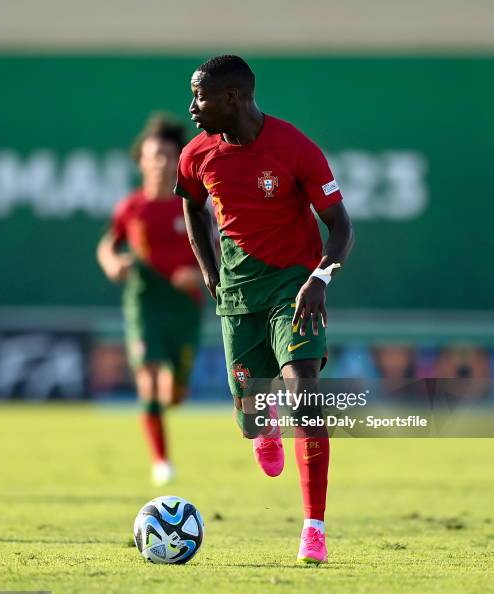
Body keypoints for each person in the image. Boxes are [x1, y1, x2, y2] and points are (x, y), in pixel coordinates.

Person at [175, 56, 354, 563]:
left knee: (303, 390)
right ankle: (262, 428)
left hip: (293, 287)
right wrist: (210, 272)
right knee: (251, 414)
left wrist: (320, 278)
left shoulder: (294, 147)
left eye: (200, 97)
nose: (192, 108)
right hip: (237, 295)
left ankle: (313, 529)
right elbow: (190, 203)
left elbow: (341, 225)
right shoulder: (195, 155)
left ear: (232, 99)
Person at [98, 114, 203, 486]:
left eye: (167, 155)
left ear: (178, 160)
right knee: (149, 379)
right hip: (144, 300)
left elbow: (221, 255)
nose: (159, 162)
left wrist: (201, 275)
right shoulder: (131, 208)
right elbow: (109, 245)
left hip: (185, 307)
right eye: (152, 155)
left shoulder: (192, 206)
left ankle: (170, 400)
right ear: (140, 160)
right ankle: (160, 460)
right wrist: (113, 263)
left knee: (173, 393)